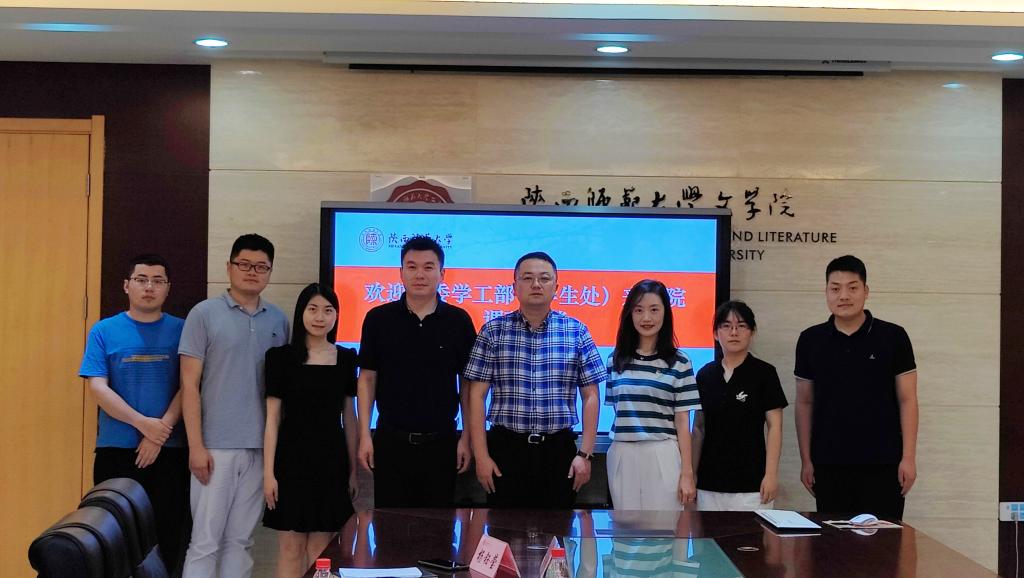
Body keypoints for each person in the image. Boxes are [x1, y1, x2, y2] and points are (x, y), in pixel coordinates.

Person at [180, 234, 289, 578]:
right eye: (244, 264)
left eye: (261, 267)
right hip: (214, 447)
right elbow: (188, 384)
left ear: (270, 272)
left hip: (259, 447)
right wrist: (196, 446)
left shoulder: (278, 320)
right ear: (229, 267)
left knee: (241, 542)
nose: (252, 272)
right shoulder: (203, 314)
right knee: (205, 541)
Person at [465, 251, 607, 508]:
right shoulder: (493, 332)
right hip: (506, 450)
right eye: (527, 278)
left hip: (558, 451)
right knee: (503, 527)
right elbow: (476, 395)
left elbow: (591, 396)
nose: (536, 284)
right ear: (514, 287)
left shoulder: (576, 331)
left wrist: (585, 454)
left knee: (558, 528)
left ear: (556, 287)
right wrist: (482, 456)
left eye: (544, 278)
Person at [79, 253, 189, 571]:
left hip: (169, 451)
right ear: (127, 286)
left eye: (158, 281)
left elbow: (190, 385)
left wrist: (160, 433)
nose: (149, 287)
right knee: (113, 536)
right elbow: (97, 387)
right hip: (117, 450)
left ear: (168, 288)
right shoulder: (103, 330)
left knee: (167, 536)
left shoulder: (183, 330)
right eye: (141, 280)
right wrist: (143, 424)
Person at [795, 255, 918, 520]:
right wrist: (806, 460)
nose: (844, 296)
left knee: (884, 541)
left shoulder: (893, 337)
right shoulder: (810, 340)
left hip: (884, 463)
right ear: (826, 292)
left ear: (866, 291)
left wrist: (908, 458)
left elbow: (907, 399)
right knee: (833, 542)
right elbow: (804, 402)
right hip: (828, 463)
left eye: (852, 287)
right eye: (835, 288)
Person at [356, 235, 476, 507]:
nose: (419, 274)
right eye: (412, 267)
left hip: (442, 443)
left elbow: (467, 385)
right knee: (389, 525)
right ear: (401, 273)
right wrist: (365, 436)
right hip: (390, 441)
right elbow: (367, 379)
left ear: (442, 274)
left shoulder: (458, 320)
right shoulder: (378, 319)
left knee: (439, 527)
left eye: (428, 267)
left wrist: (466, 438)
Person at [263, 283, 358, 578]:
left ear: (336, 316)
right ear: (301, 312)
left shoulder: (346, 358)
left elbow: (350, 418)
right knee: (290, 548)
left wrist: (353, 471)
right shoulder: (279, 358)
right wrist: (268, 474)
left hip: (331, 462)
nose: (320, 317)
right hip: (291, 461)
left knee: (322, 552)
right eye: (313, 309)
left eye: (328, 310)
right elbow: (272, 419)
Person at [604, 279, 701, 510]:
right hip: (622, 452)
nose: (646, 318)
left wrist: (687, 473)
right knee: (625, 528)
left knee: (664, 527)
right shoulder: (615, 360)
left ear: (666, 313)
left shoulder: (680, 362)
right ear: (629, 314)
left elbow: (682, 422)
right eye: (638, 310)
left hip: (662, 452)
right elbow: (619, 410)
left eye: (654, 310)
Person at [695, 300, 787, 511]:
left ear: (752, 332)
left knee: (752, 534)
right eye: (726, 326)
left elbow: (775, 427)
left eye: (741, 326)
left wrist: (771, 475)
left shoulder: (765, 373)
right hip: (709, 483)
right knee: (708, 534)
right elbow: (698, 428)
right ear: (716, 333)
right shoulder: (705, 375)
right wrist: (691, 474)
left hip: (752, 484)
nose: (734, 332)